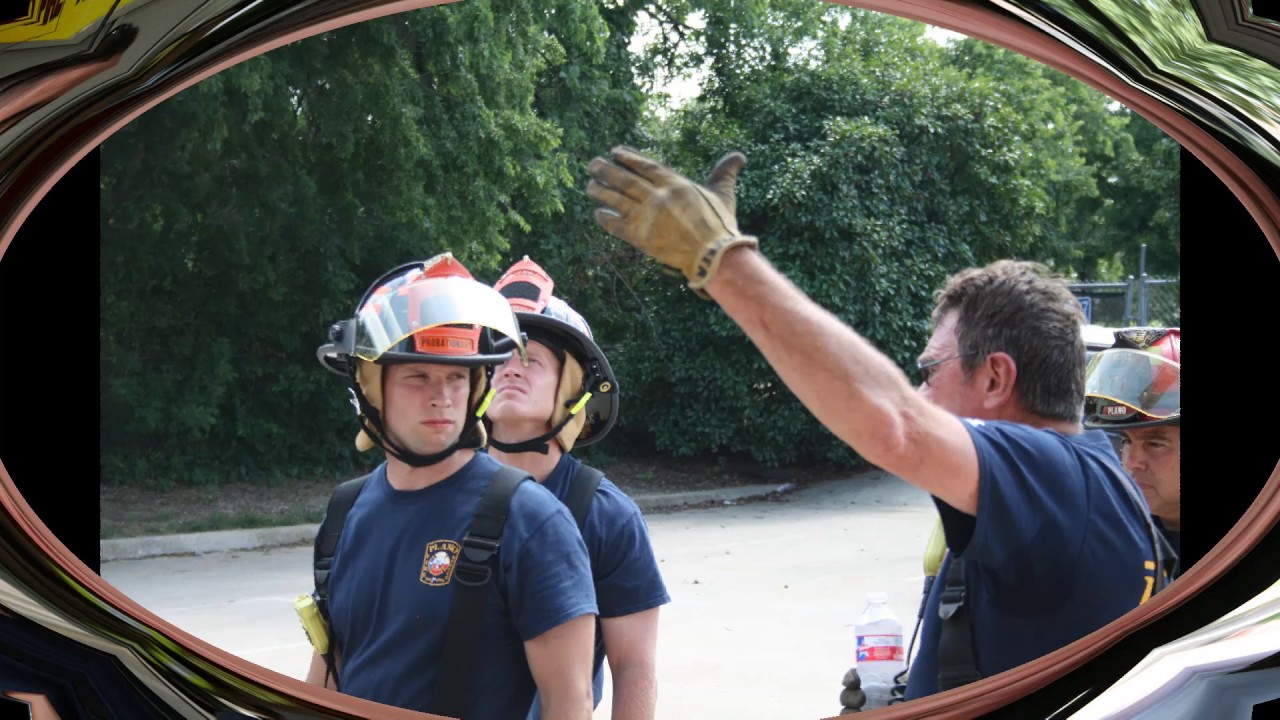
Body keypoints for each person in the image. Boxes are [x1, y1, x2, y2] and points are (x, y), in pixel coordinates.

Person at [584, 147, 1160, 701]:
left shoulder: (1054, 477)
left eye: (930, 370)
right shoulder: (1075, 486)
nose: (919, 390)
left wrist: (721, 261)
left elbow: (895, 425)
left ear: (994, 379)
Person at [307, 252, 598, 719]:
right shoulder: (345, 513)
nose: (441, 396)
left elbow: (570, 703)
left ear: (477, 386)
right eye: (418, 376)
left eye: (457, 377)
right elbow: (332, 669)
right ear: (371, 387)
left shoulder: (531, 521)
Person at [484, 256, 671, 720]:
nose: (510, 367)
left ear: (572, 390)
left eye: (531, 358)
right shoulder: (441, 494)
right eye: (499, 354)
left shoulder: (606, 516)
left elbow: (634, 667)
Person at [1084, 326, 1182, 578]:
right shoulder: (1115, 532)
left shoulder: (1248, 538)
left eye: (1156, 444)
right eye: (1127, 441)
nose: (1133, 463)